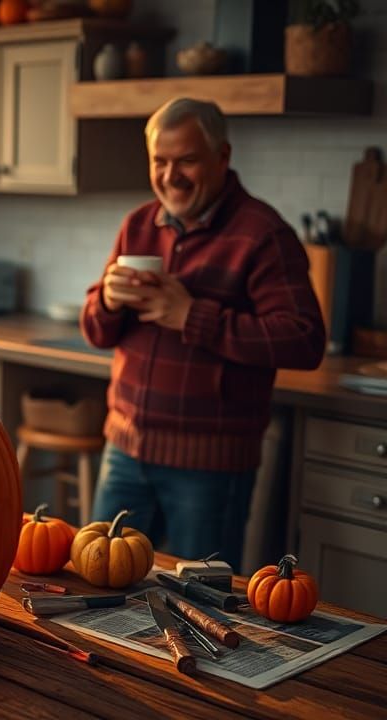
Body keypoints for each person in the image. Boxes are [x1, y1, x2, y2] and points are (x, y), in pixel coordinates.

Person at [80, 97, 325, 571]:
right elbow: (95, 329)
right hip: (125, 450)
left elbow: (304, 339)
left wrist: (192, 316)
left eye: (186, 160)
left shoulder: (263, 234)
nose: (170, 175)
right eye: (160, 161)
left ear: (222, 157)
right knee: (98, 587)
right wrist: (107, 302)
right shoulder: (138, 225)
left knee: (198, 606)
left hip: (209, 467)